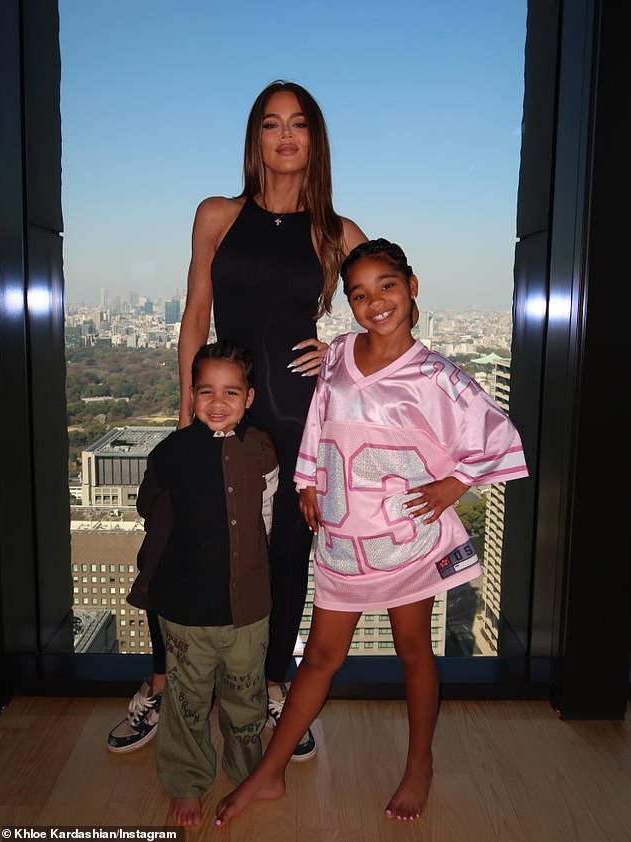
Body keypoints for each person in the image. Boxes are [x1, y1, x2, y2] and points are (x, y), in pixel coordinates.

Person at [213, 238, 529, 827]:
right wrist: (308, 481)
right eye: (358, 294)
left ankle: (419, 763)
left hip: (406, 539)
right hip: (342, 539)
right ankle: (270, 771)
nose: (375, 302)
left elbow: (498, 436)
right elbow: (319, 419)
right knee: (319, 657)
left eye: (387, 286)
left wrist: (454, 485)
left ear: (412, 286)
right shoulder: (338, 354)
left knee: (413, 651)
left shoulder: (437, 375)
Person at [107, 79, 365, 756]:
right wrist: (189, 411)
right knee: (176, 539)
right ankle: (162, 683)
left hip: (299, 415)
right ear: (255, 139)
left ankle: (272, 687)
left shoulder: (337, 233)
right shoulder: (217, 215)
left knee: (285, 555)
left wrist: (340, 347)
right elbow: (197, 315)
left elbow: (389, 309)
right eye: (271, 124)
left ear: (314, 139)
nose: (285, 136)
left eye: (298, 123)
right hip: (224, 408)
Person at [126, 339, 279, 828]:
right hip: (185, 608)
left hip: (247, 607)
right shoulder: (171, 453)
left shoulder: (261, 449)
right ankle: (187, 780)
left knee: (246, 698)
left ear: (248, 397)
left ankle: (247, 772)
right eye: (206, 391)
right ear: (191, 395)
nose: (217, 402)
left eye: (231, 392)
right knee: (186, 702)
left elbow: (266, 516)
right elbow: (148, 506)